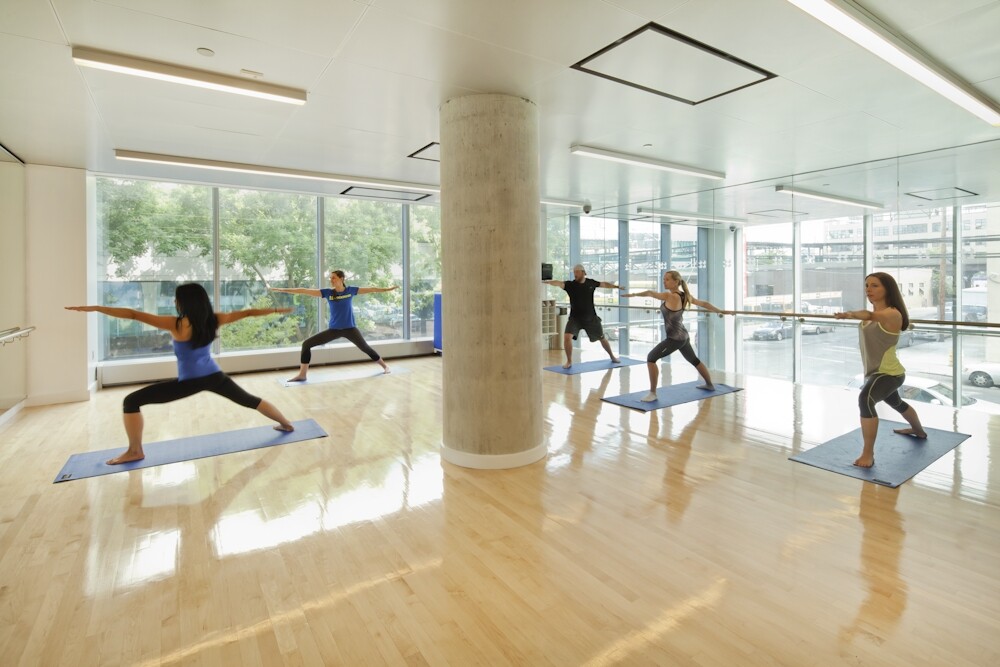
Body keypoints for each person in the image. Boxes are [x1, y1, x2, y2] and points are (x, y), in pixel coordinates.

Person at [66, 283, 295, 465]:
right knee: (251, 401)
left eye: (176, 299)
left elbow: (133, 314)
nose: (174, 302)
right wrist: (276, 310)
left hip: (189, 382)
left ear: (183, 302)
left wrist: (96, 308)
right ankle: (286, 423)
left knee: (131, 401)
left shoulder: (175, 324)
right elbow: (249, 313)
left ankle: (135, 451)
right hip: (214, 376)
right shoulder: (214, 319)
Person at [834, 272, 927, 468]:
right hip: (878, 372)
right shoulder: (877, 314)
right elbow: (871, 317)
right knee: (897, 403)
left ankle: (867, 455)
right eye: (867, 285)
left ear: (887, 289)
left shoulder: (892, 313)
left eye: (875, 285)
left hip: (889, 373)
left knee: (865, 400)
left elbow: (870, 315)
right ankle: (918, 431)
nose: (868, 289)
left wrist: (849, 314)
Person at [270, 270, 398, 381]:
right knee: (306, 344)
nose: (331, 280)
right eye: (330, 278)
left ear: (342, 279)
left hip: (350, 329)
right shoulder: (328, 293)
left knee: (365, 348)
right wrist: (282, 289)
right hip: (334, 330)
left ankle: (385, 366)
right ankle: (302, 375)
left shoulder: (351, 290)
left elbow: (372, 289)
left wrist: (387, 289)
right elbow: (303, 291)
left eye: (334, 278)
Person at [622, 270, 724, 402]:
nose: (664, 282)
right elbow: (703, 304)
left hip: (675, 339)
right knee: (694, 360)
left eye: (667, 279)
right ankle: (709, 385)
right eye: (664, 279)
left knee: (651, 358)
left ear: (676, 282)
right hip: (683, 336)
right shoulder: (684, 295)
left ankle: (653, 393)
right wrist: (719, 311)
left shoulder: (669, 296)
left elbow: (650, 293)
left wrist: (634, 295)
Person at [544, 264, 620, 369]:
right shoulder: (570, 285)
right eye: (574, 272)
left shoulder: (591, 283)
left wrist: (616, 287)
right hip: (575, 318)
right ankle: (569, 361)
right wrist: (548, 282)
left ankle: (612, 356)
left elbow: (603, 284)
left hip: (591, 318)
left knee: (602, 338)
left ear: (583, 272)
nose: (575, 274)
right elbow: (559, 283)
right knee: (567, 337)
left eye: (577, 272)